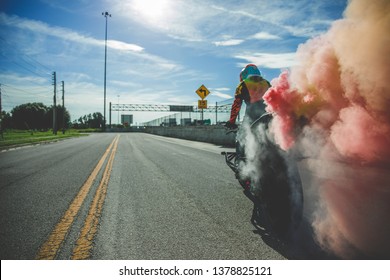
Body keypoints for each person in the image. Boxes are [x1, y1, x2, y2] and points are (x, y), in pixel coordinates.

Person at [225, 64, 271, 129]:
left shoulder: (242, 85)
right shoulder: (267, 83)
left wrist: (231, 121)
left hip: (251, 115)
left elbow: (237, 104)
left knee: (245, 135)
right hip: (267, 114)